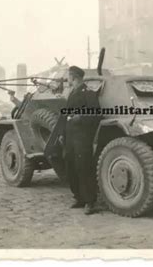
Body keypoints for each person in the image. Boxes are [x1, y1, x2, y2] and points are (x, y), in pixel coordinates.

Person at [60, 65, 101, 215]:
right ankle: (79, 197)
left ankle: (90, 202)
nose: (67, 79)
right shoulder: (72, 93)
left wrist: (80, 117)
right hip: (70, 137)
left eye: (68, 76)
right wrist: (63, 134)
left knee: (84, 168)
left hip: (82, 138)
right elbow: (65, 116)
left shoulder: (88, 93)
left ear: (74, 77)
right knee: (70, 167)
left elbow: (96, 114)